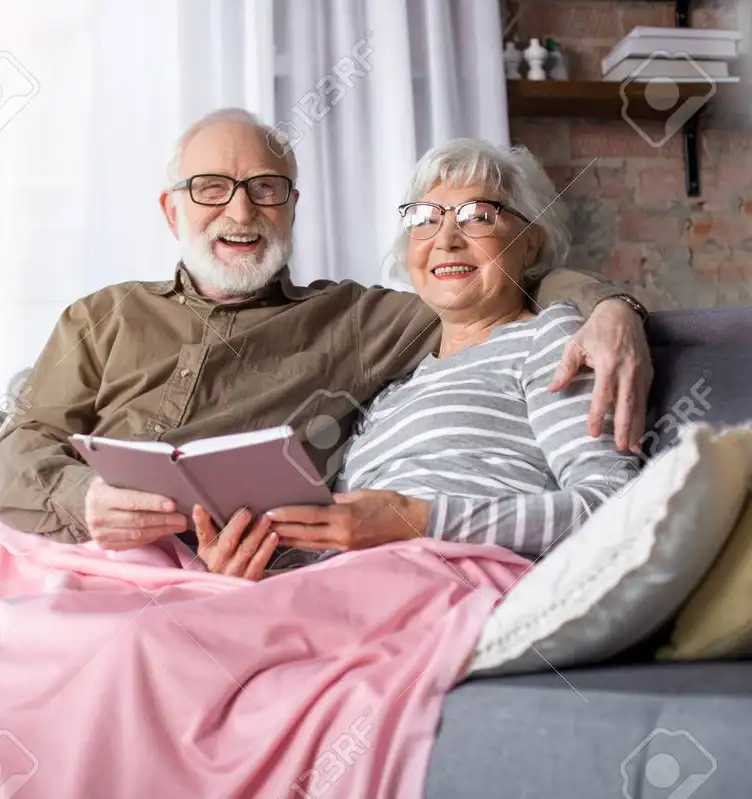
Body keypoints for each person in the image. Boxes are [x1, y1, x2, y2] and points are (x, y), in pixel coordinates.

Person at [0, 109, 652, 566]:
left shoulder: (360, 321)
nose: (241, 211)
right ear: (172, 208)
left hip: (222, 578)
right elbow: (15, 453)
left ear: (292, 206)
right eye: (211, 188)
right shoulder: (100, 317)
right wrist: (86, 502)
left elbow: (500, 286)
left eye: (265, 189)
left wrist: (611, 309)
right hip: (74, 551)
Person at [195, 139, 643, 578]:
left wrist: (418, 518)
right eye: (425, 219)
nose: (446, 239)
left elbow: (614, 503)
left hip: (454, 580)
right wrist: (250, 566)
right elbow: (342, 540)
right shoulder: (390, 390)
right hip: (353, 585)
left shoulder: (550, 339)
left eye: (478, 216)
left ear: (529, 244)